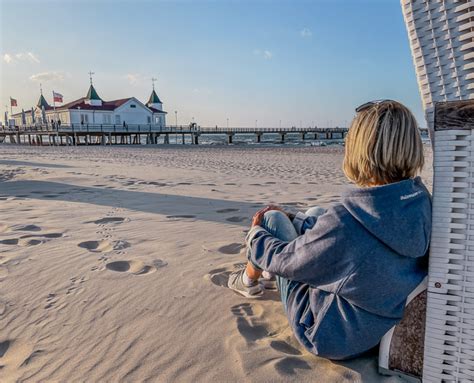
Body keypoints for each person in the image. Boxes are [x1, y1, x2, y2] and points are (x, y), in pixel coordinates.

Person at [228, 100, 431, 360]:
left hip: (330, 333)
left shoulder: (346, 220)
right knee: (315, 215)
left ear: (359, 147)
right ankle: (263, 270)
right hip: (378, 326)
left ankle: (248, 280)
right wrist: (300, 221)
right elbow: (354, 240)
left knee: (272, 220)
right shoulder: (419, 200)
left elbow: (289, 261)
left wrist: (256, 236)